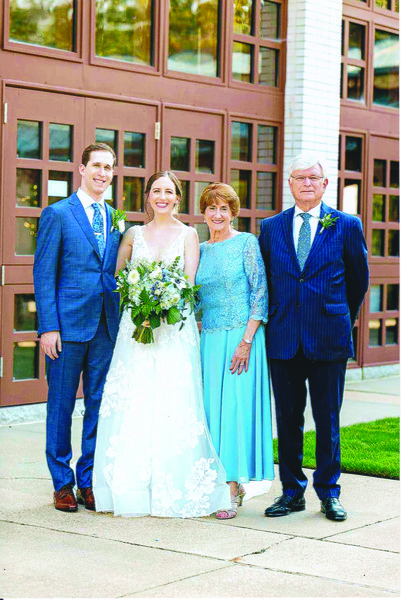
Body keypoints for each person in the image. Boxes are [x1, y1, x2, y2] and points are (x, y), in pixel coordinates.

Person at [93, 171, 231, 518]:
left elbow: (188, 282)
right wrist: (138, 301)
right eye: (156, 190)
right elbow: (118, 280)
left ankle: (172, 486)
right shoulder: (133, 234)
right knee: (135, 399)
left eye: (168, 191)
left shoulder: (188, 235)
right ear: (148, 196)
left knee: (173, 400)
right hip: (136, 329)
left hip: (173, 330)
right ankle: (131, 488)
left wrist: (165, 302)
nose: (162, 196)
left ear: (178, 197)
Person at [259, 154, 369, 522]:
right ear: (289, 184)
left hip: (328, 338)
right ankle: (291, 492)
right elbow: (267, 283)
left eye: (313, 178)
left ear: (325, 184)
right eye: (299, 177)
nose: (306, 183)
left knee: (328, 420)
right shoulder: (270, 227)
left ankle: (328, 492)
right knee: (288, 421)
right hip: (285, 338)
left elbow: (358, 281)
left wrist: (338, 317)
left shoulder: (347, 225)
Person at [33, 142, 122, 512]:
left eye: (109, 167)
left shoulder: (116, 217)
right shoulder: (58, 213)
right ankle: (62, 483)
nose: (102, 173)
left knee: (99, 406)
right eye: (96, 166)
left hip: (106, 327)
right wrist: (48, 327)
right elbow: (43, 272)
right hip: (66, 329)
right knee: (61, 406)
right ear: (81, 168)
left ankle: (88, 480)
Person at [196, 183, 274, 520]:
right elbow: (195, 300)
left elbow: (260, 292)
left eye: (223, 209)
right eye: (211, 208)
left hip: (243, 340)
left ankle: (230, 489)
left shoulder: (246, 243)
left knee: (233, 412)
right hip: (210, 340)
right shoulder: (198, 249)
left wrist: (246, 342)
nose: (217, 215)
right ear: (203, 213)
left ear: (233, 212)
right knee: (212, 413)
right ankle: (221, 482)